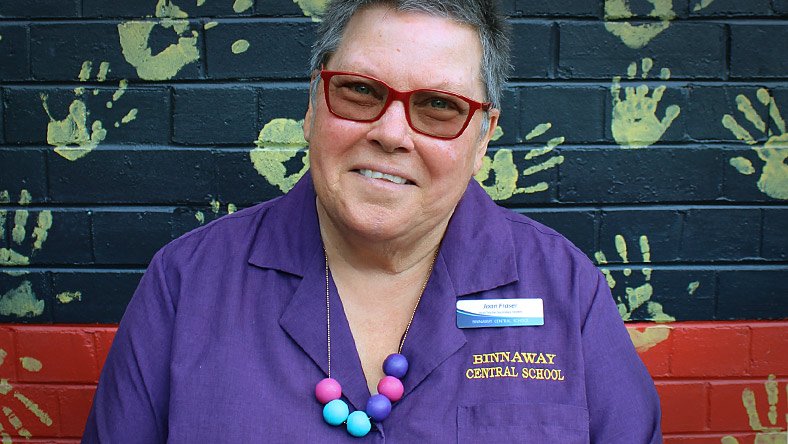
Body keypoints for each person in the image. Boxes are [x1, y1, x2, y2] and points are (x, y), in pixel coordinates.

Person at [82, 0, 662, 442]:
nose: (390, 133)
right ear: (312, 104)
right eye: (359, 90)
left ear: (484, 136)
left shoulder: (566, 290)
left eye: (439, 106)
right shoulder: (185, 284)